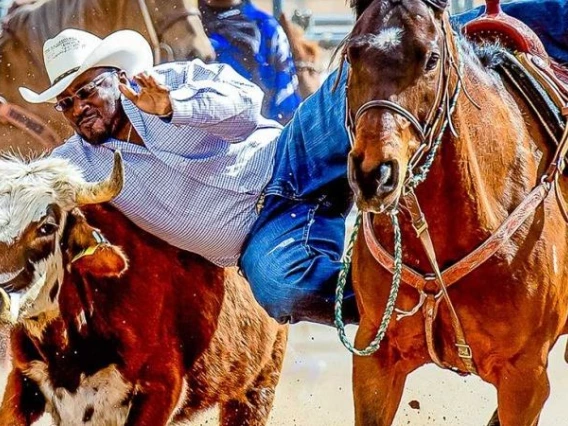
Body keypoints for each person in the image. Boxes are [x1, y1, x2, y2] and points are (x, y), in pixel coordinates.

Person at [20, 0, 568, 327]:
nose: (79, 108)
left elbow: (242, 102)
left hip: (286, 154)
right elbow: (23, 185)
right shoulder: (78, 164)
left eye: (87, 90)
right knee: (281, 290)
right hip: (260, 235)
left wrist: (169, 106)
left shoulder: (167, 83)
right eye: (67, 102)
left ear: (116, 78)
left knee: (389, 46)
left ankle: (547, 17)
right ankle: (414, 308)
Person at [198, 0, 301, 124]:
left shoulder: (266, 27)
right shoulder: (182, 25)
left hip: (253, 134)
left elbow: (285, 105)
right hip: (189, 133)